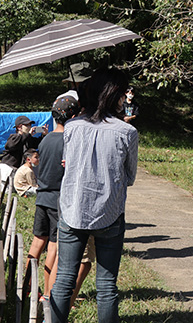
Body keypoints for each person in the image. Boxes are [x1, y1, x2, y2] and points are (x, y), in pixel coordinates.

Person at [49, 67, 138, 323]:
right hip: (110, 214)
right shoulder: (127, 132)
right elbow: (129, 177)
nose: (125, 98)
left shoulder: (72, 126)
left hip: (72, 210)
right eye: (123, 93)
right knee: (107, 286)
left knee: (64, 279)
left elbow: (67, 163)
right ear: (114, 95)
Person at [27, 95, 79, 299]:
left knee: (37, 243)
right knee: (54, 249)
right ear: (74, 116)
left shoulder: (46, 138)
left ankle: (27, 286)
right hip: (59, 199)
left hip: (42, 196)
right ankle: (48, 295)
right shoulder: (69, 140)